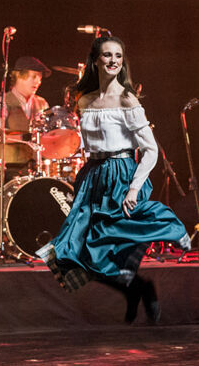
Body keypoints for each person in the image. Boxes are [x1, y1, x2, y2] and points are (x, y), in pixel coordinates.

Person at [36, 35, 190, 323]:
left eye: (118, 56)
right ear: (96, 60)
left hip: (120, 174)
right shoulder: (85, 99)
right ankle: (136, 289)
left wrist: (133, 189)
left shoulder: (126, 99)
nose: (113, 61)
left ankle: (169, 233)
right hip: (92, 176)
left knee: (104, 244)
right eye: (107, 55)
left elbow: (151, 149)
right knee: (70, 253)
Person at [0, 55, 51, 178]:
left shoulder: (43, 103)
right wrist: (24, 137)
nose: (38, 81)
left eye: (40, 77)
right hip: (9, 171)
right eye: (34, 76)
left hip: (36, 170)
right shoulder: (1, 102)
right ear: (19, 76)